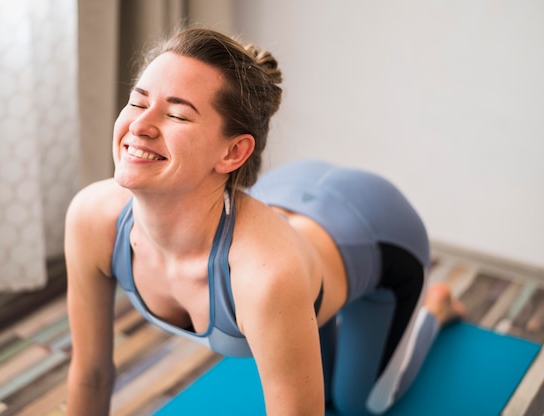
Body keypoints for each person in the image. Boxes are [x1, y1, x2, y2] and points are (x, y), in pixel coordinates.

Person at [64, 27, 465, 415]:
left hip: (376, 227)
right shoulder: (92, 217)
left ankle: (436, 308)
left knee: (358, 403)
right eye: (137, 102)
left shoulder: (266, 273)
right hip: (290, 190)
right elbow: (91, 375)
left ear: (233, 152)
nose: (138, 125)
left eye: (177, 115)